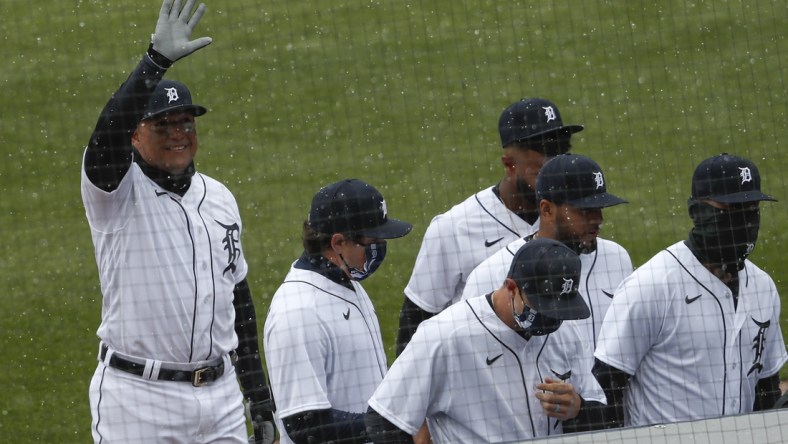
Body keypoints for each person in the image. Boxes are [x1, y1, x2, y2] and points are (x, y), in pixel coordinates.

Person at [82, 1, 274, 443]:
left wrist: (258, 396)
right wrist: (155, 62)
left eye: (185, 122)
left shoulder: (220, 197)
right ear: (135, 134)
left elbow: (237, 300)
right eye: (162, 124)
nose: (177, 133)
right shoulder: (115, 190)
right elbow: (105, 136)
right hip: (138, 400)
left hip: (221, 399)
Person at [593, 153, 788, 427]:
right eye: (730, 209)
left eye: (751, 209)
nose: (743, 221)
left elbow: (765, 385)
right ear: (697, 212)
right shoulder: (651, 285)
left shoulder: (763, 287)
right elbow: (606, 385)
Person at [365, 238, 606, 443]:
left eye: (558, 310)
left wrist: (578, 409)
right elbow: (385, 420)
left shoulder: (566, 332)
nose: (551, 320)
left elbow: (605, 414)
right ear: (511, 287)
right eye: (543, 307)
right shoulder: (445, 336)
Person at [397, 98, 584, 355]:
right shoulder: (453, 228)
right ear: (509, 164)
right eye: (543, 154)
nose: (557, 167)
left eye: (561, 148)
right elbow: (415, 324)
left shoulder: (569, 220)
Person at [263, 179, 413, 444]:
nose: (380, 247)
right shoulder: (298, 312)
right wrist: (392, 425)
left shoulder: (345, 283)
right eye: (372, 240)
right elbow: (304, 425)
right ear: (339, 242)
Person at [462, 153, 632, 362]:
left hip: (598, 393)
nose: (598, 219)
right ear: (547, 209)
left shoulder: (617, 259)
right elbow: (472, 355)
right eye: (585, 210)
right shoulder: (493, 273)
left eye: (599, 209)